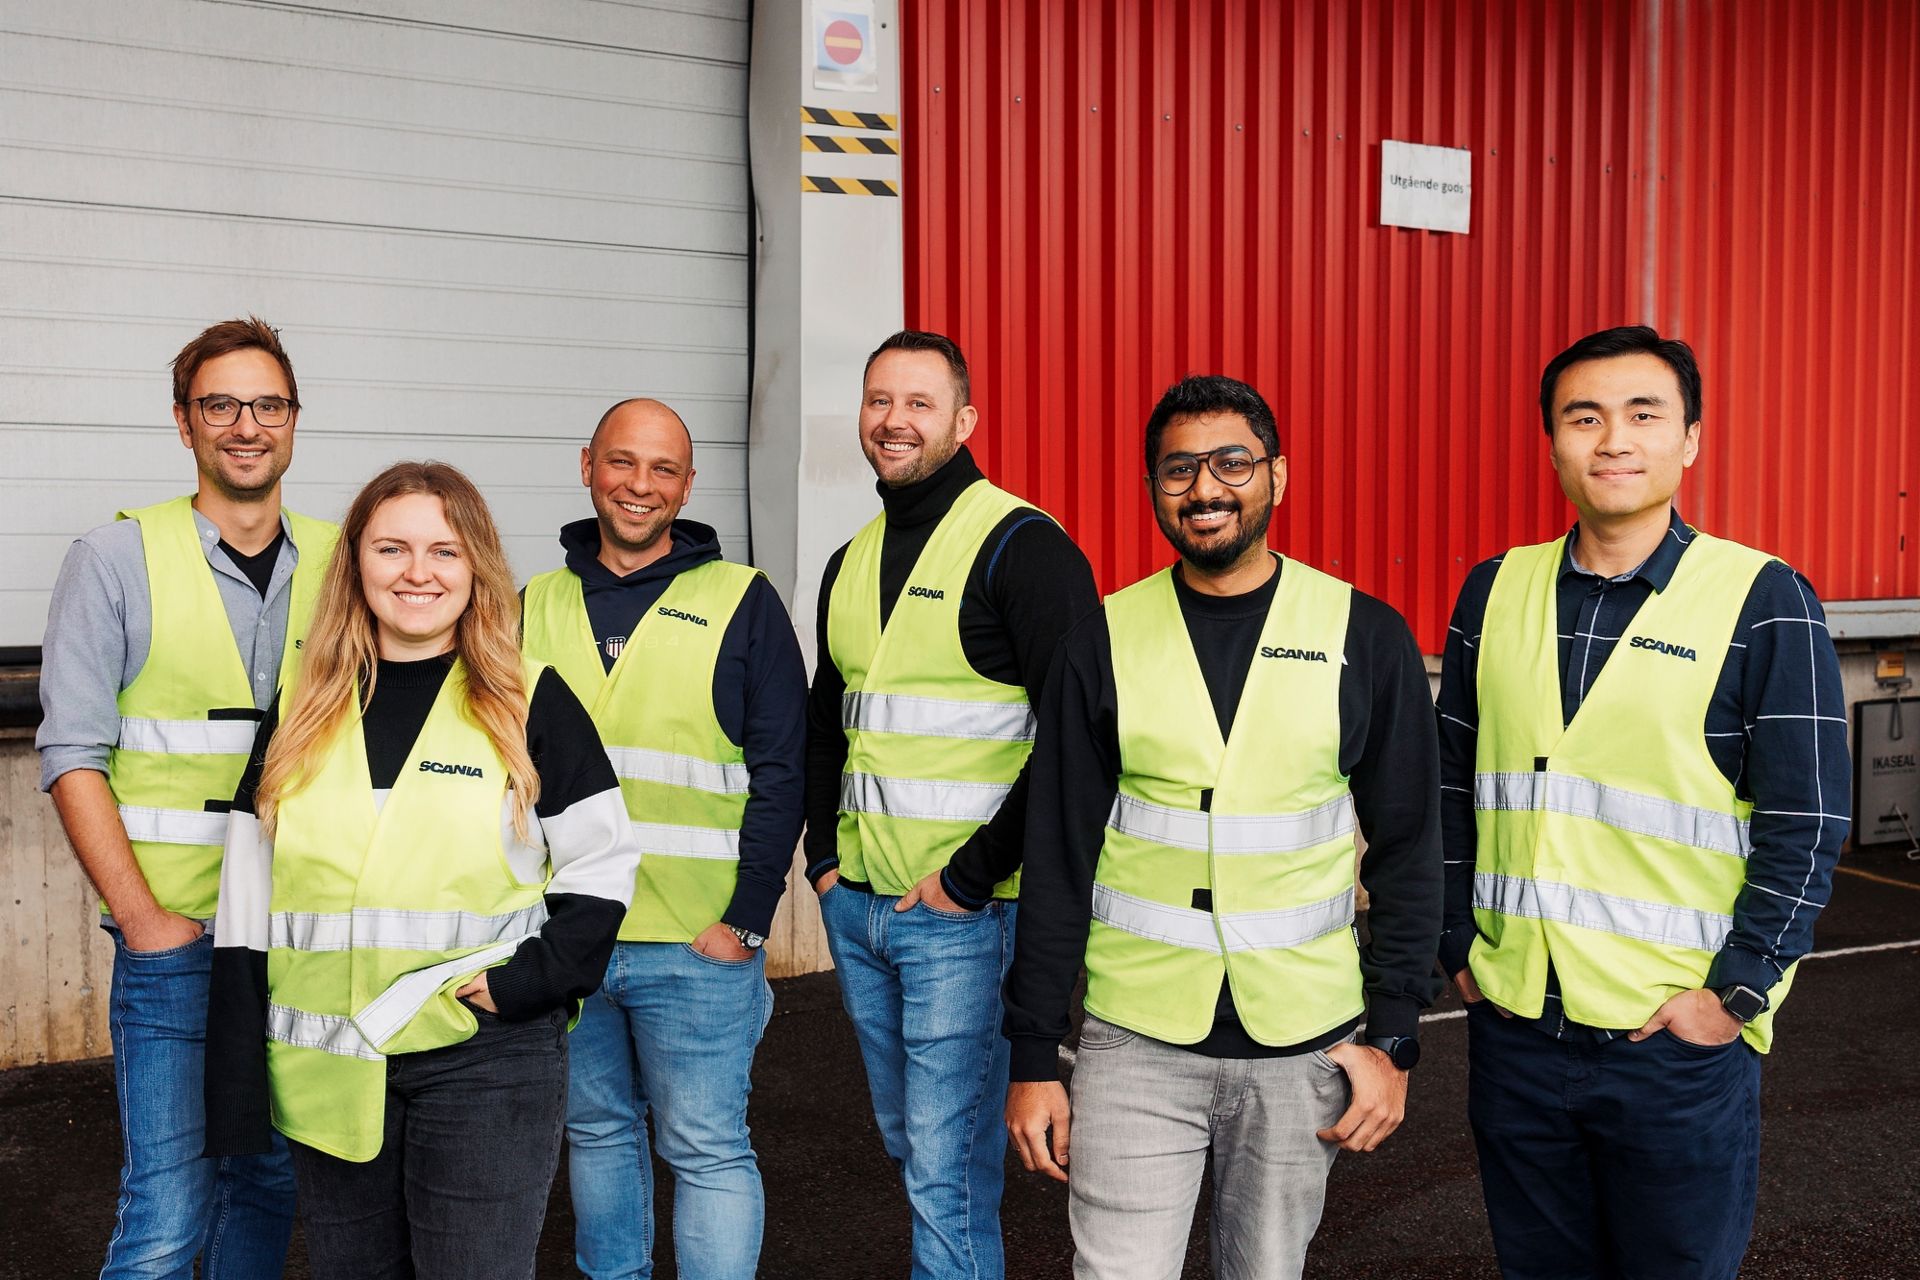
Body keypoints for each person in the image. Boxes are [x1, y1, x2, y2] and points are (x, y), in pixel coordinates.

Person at [1002, 374, 1444, 1279]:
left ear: (1277, 477)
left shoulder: (1367, 634)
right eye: (1179, 470)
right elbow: (1056, 856)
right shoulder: (1104, 637)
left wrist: (1394, 1035)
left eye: (1232, 463)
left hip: (1305, 1041)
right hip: (1135, 1042)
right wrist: (1032, 1053)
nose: (1205, 489)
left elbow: (1409, 848)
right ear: (1154, 488)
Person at [1437, 326, 1849, 1279]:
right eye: (1585, 417)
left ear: (1690, 440)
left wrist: (1733, 995)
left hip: (1674, 1043)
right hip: (1516, 1035)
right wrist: (1458, 945)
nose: (1612, 439)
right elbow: (1451, 785)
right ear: (1552, 443)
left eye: (1643, 414)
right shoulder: (1494, 591)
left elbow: (1809, 819)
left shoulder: (1763, 599)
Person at [201, 461, 641, 1280]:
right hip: (331, 1070)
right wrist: (234, 1081)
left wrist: (531, 982)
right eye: (392, 548)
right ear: (356, 564)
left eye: (444, 551)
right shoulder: (301, 712)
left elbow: (605, 859)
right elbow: (245, 900)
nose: (417, 572)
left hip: (483, 1056)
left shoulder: (526, 701)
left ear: (477, 567)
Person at [36, 316, 328, 1278]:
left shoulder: (349, 563)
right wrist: (142, 917)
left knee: (270, 1185)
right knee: (167, 1212)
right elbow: (74, 752)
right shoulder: (113, 560)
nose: (246, 424)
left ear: (295, 419)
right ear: (183, 421)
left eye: (268, 404)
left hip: (300, 946)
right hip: (178, 943)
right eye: (220, 404)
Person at [806, 329, 1100, 1278]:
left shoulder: (1023, 547)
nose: (894, 421)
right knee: (914, 1148)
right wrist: (823, 862)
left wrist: (968, 881)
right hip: (861, 908)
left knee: (944, 1169)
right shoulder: (849, 560)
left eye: (919, 403)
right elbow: (828, 720)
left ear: (965, 421)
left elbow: (1076, 742)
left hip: (965, 917)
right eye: (878, 400)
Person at [522, 398, 806, 1280]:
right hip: (567, 938)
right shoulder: (532, 604)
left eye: (661, 469)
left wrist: (746, 924)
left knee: (707, 1149)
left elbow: (781, 771)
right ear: (586, 466)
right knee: (597, 1134)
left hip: (694, 942)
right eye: (621, 462)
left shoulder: (741, 600)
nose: (638, 485)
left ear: (688, 484)